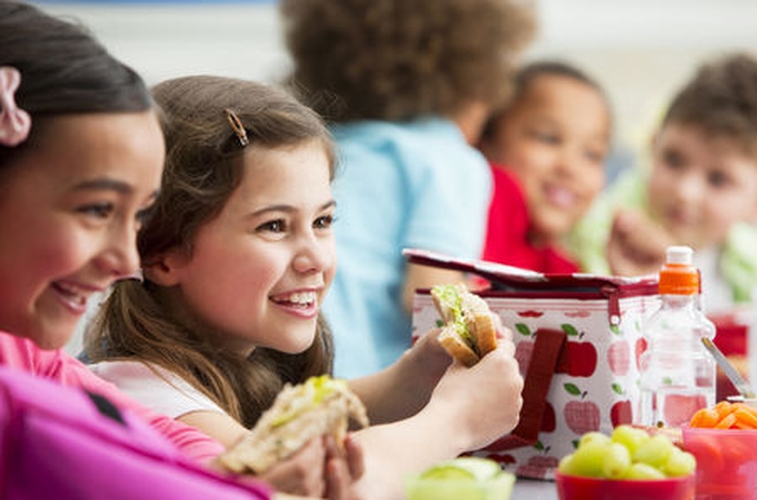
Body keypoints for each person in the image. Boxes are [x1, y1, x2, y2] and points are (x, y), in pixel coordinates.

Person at [84, 75, 524, 500]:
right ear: (161, 254)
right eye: (274, 226)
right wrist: (456, 420)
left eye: (322, 222)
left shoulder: (233, 363)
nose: (316, 258)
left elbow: (301, 428)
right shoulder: (136, 391)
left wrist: (415, 377)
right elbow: (317, 487)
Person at [0, 3, 358, 499]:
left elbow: (163, 446)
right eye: (96, 210)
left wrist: (245, 475)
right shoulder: (25, 398)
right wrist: (451, 420)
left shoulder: (27, 357)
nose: (128, 260)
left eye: (139, 214)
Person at [281, 0, 536, 377]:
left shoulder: (322, 146)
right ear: (473, 78)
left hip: (281, 353)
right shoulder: (448, 160)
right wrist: (496, 347)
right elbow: (430, 290)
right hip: (354, 377)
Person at [567, 52, 757, 312]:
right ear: (652, 148)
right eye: (674, 160)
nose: (685, 192)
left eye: (718, 179)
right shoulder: (588, 236)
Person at [479, 61, 612, 274]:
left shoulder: (563, 269)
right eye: (548, 138)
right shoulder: (485, 200)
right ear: (485, 139)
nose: (571, 167)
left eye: (592, 154)